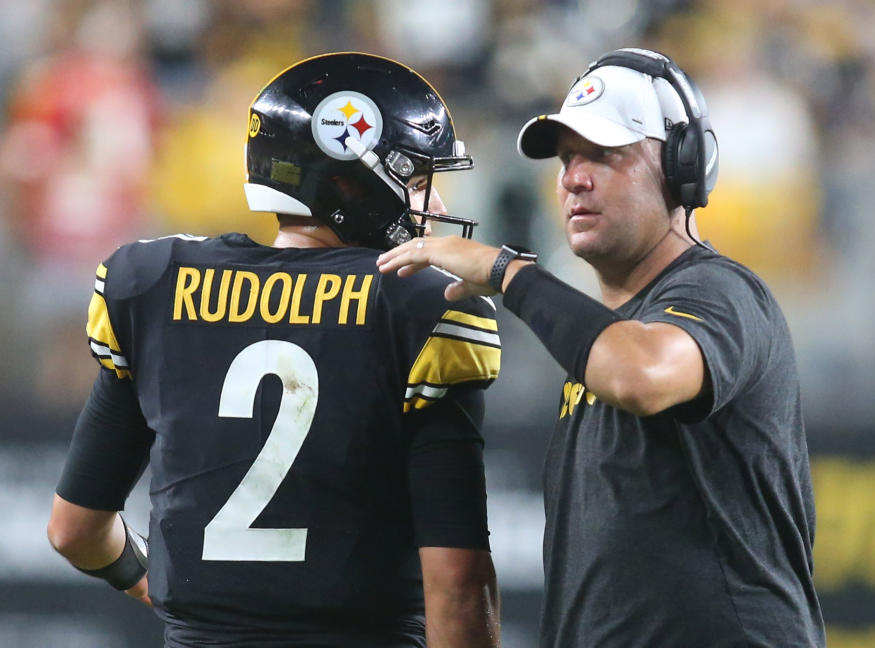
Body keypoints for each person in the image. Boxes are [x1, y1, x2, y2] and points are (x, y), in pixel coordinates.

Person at [47, 52, 501, 648]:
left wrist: (149, 582)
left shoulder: (154, 284)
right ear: (348, 182)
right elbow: (458, 586)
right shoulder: (417, 305)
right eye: (419, 182)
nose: (435, 206)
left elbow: (75, 530)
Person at [378, 48, 825, 647]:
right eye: (566, 159)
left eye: (605, 156)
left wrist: (508, 272)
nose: (573, 179)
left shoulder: (720, 289)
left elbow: (641, 374)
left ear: (683, 167)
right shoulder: (605, 333)